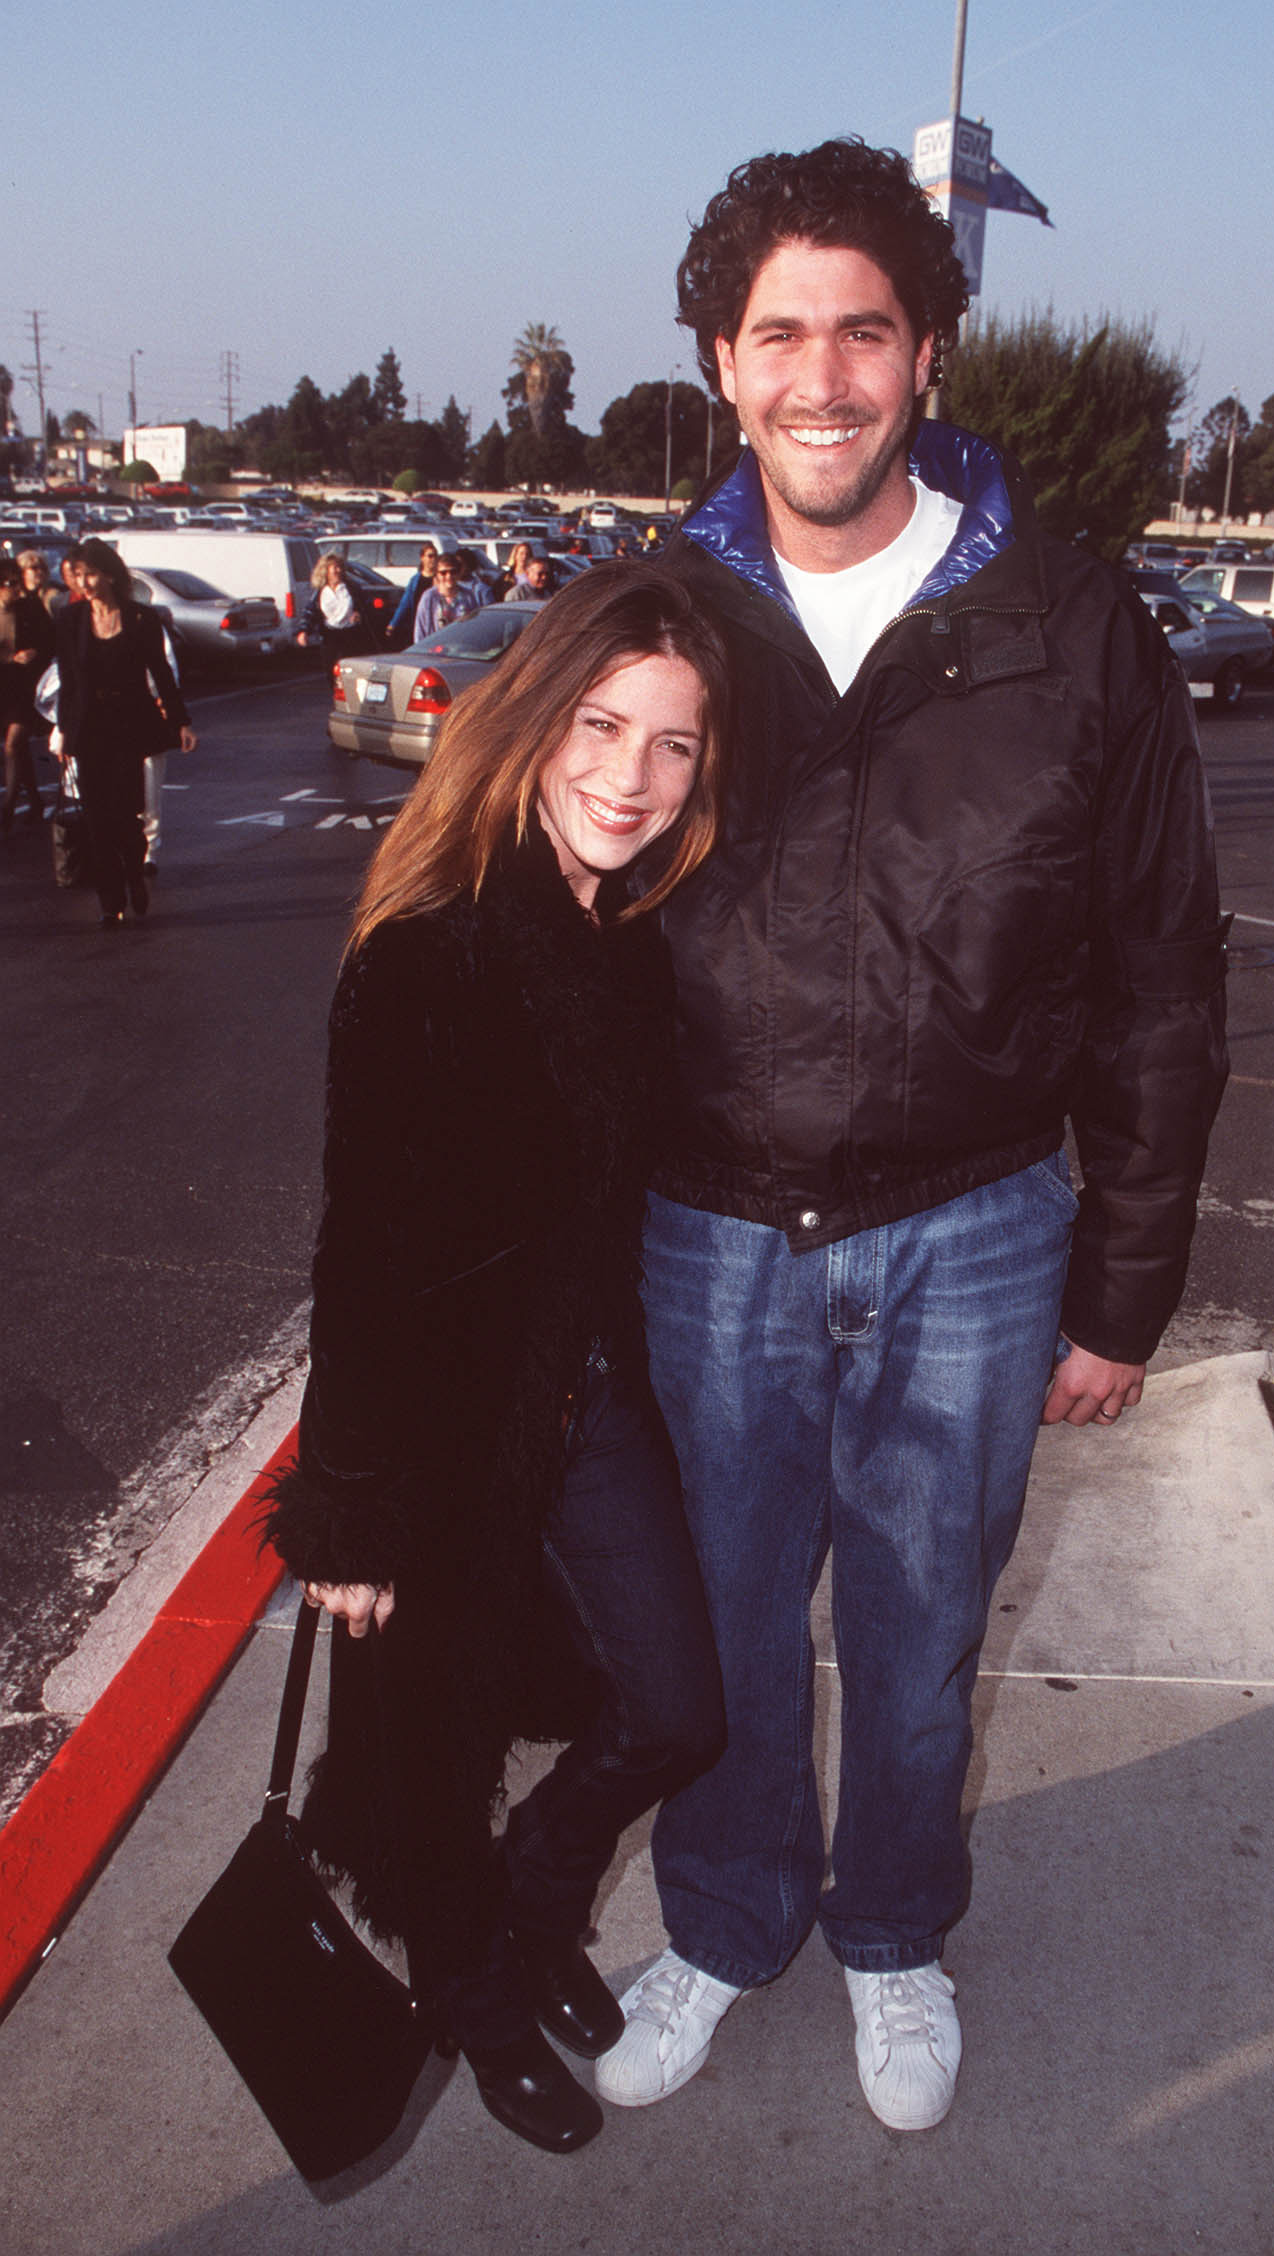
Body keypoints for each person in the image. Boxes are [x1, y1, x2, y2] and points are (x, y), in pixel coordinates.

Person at [594, 138, 1230, 2133]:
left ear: (924, 355)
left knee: (919, 1631)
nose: (820, 376)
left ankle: (889, 1934)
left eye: (860, 330)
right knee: (705, 1628)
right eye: (777, 332)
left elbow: (1157, 968)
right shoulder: (651, 616)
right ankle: (716, 1918)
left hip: (973, 1231)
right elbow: (529, 954)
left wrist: (1119, 1284)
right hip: (703, 1233)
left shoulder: (1070, 621)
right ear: (721, 359)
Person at [263, 562, 730, 2156]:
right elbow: (366, 1252)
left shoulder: (625, 940)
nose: (633, 778)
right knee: (432, 1740)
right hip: (444, 1429)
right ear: (535, 723)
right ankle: (470, 1982)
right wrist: (349, 1517)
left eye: (675, 745)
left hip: (584, 1405)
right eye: (604, 727)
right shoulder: (435, 949)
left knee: (672, 1704)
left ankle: (530, 1909)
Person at [54, 539, 194, 925]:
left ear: (111, 575)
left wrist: (181, 722)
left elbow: (161, 674)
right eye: (79, 575)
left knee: (127, 815)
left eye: (92, 573)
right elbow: (68, 682)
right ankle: (110, 902)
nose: (85, 582)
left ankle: (134, 873)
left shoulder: (140, 620)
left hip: (130, 726)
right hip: (90, 728)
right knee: (97, 819)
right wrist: (64, 733)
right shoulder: (70, 621)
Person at [0, 558, 53, 830]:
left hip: (23, 688)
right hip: (2, 687)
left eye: (18, 583)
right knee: (18, 750)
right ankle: (34, 799)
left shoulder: (30, 608)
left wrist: (35, 653)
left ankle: (7, 811)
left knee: (12, 744)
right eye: (10, 584)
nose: (17, 590)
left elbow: (50, 641)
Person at [297, 553, 378, 659]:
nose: (338, 570)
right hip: (329, 636)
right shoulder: (320, 591)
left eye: (340, 567)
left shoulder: (351, 588)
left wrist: (359, 614)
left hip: (351, 635)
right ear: (326, 570)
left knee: (349, 670)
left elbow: (367, 605)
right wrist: (304, 631)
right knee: (330, 671)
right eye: (334, 567)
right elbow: (310, 611)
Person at [412, 549, 484, 638]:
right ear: (436, 574)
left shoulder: (469, 596)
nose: (448, 576)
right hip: (435, 649)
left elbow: (475, 628)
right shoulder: (429, 598)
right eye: (443, 573)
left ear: (459, 573)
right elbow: (420, 631)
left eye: (453, 572)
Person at [387, 541, 439, 647]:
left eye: (435, 556)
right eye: (430, 556)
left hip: (436, 623)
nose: (433, 559)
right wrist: (393, 623)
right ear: (422, 558)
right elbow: (404, 603)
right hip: (418, 623)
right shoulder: (415, 580)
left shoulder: (439, 579)